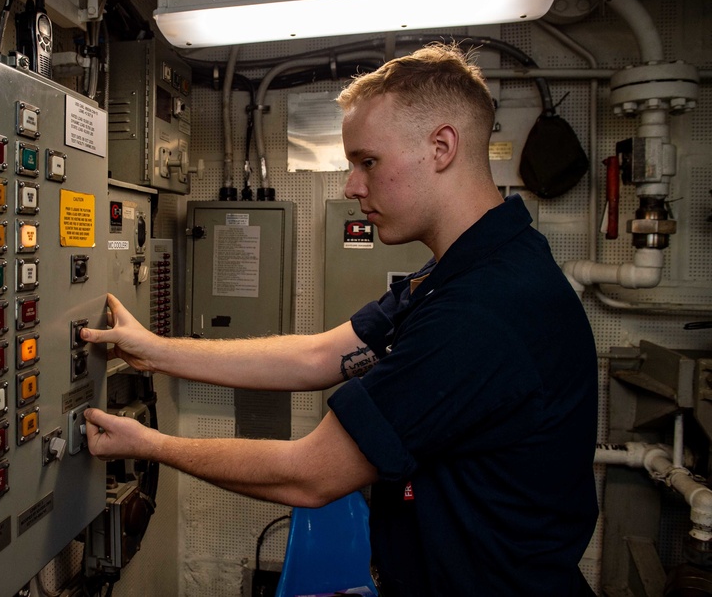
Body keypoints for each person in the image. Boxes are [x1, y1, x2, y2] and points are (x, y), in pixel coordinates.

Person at [80, 42, 598, 596]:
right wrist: (152, 350)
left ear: (441, 147)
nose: (351, 186)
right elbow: (319, 356)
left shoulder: (484, 310)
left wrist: (148, 444)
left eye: (367, 162)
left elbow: (310, 473)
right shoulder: (467, 269)